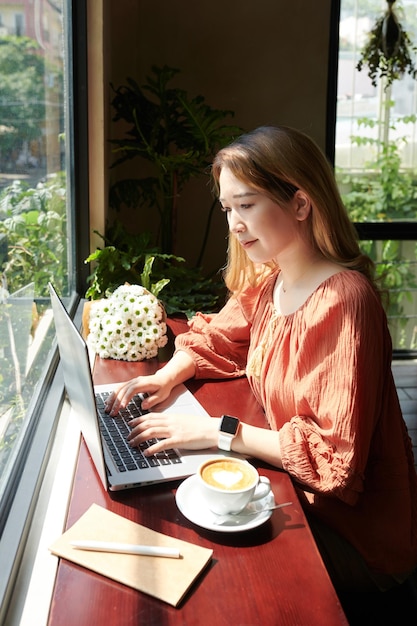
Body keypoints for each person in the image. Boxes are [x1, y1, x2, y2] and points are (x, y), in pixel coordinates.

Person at [105, 125, 417, 597]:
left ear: (300, 202)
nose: (233, 223)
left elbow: (334, 463)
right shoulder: (274, 283)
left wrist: (217, 433)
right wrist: (166, 377)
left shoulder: (345, 301)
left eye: (247, 204)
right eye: (228, 208)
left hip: (351, 536)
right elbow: (222, 339)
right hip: (292, 497)